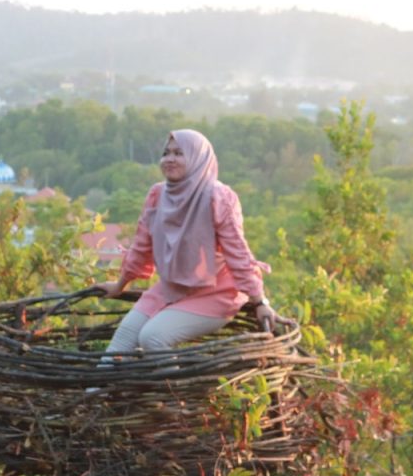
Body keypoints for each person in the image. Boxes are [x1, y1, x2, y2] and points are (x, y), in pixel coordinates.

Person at [95, 129, 281, 354]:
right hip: (171, 287)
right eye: (166, 153)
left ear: (198, 158)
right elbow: (141, 248)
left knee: (152, 338)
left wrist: (260, 302)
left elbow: (238, 253)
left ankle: (176, 388)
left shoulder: (217, 197)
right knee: (121, 342)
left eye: (179, 153)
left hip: (216, 292)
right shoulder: (157, 194)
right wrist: (119, 285)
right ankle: (97, 390)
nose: (170, 159)